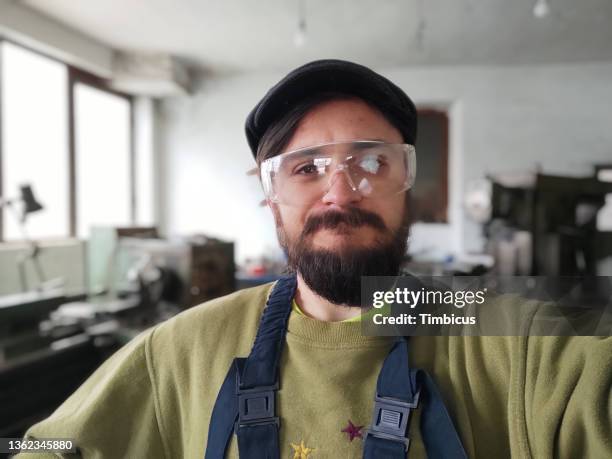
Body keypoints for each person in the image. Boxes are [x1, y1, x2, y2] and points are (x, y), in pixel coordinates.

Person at [17, 60, 611, 459]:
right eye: (306, 168)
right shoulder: (183, 349)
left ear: (406, 183)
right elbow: (45, 448)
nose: (341, 191)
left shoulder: (501, 334)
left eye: (373, 163)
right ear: (270, 195)